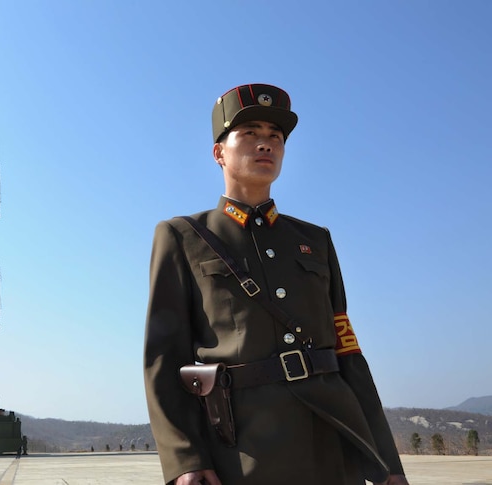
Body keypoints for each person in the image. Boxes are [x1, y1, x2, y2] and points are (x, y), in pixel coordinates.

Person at [143, 83, 409, 485]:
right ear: (219, 152)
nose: (265, 144)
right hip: (240, 451)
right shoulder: (183, 236)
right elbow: (164, 358)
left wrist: (388, 463)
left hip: (327, 441)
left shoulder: (315, 240)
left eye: (275, 136)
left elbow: (347, 351)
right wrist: (186, 459)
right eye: (249, 134)